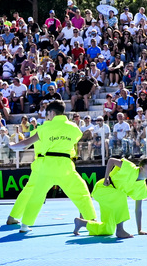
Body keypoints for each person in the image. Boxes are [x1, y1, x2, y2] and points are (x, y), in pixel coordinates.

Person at [9, 100, 97, 233]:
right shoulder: (73, 127)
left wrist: (11, 145)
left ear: (52, 112)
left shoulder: (44, 128)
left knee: (36, 195)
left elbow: (26, 143)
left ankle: (25, 225)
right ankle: (92, 220)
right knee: (82, 192)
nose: (47, 115)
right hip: (65, 165)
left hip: (46, 165)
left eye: (47, 113)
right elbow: (79, 136)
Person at [73, 156, 147, 238]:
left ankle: (81, 223)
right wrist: (106, 177)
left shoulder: (142, 187)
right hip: (103, 189)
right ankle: (120, 230)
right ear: (141, 167)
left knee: (108, 229)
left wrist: (139, 230)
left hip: (112, 199)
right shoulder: (130, 168)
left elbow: (138, 209)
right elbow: (111, 160)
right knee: (121, 195)